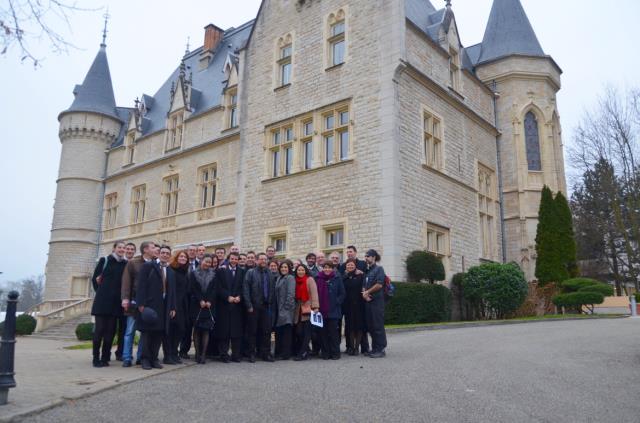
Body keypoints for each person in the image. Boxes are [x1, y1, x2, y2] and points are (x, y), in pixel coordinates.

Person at [136, 245, 177, 370]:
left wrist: (173, 307)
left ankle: (154, 359)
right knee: (147, 334)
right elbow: (141, 286)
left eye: (167, 253)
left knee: (159, 334)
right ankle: (145, 359)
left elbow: (172, 291)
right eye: (162, 252)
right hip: (150, 305)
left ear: (169, 256)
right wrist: (141, 304)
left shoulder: (170, 271)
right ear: (158, 254)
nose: (165, 255)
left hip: (164, 307)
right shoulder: (149, 266)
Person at [90, 241, 128, 367]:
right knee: (99, 330)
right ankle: (96, 357)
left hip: (116, 303)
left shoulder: (125, 263)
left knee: (110, 332)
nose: (122, 249)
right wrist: (101, 292)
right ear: (114, 248)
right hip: (102, 302)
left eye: (123, 248)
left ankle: (105, 357)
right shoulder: (105, 260)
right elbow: (95, 279)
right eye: (119, 247)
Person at [121, 241, 154, 367]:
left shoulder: (154, 263)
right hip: (134, 302)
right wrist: (125, 299)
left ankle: (141, 356)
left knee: (144, 332)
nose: (154, 249)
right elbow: (126, 282)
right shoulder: (133, 263)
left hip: (148, 304)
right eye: (152, 247)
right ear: (145, 249)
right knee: (130, 331)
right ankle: (127, 357)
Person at [243, 252, 275, 363]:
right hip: (254, 306)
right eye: (261, 259)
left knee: (266, 331)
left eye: (265, 259)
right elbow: (246, 290)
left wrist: (270, 302)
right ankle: (251, 353)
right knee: (252, 331)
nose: (263, 261)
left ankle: (265, 353)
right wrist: (249, 305)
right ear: (256, 261)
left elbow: (272, 289)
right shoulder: (250, 273)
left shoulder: (270, 273)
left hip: (266, 306)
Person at [215, 252, 245, 363]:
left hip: (237, 306)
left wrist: (239, 297)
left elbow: (244, 286)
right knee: (224, 331)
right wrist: (227, 297)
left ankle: (236, 355)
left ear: (238, 260)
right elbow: (218, 287)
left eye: (236, 259)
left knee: (236, 332)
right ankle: (224, 354)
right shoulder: (221, 271)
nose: (234, 261)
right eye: (232, 258)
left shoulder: (242, 272)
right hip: (224, 305)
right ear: (229, 259)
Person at [189, 254, 217, 364]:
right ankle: (197, 353)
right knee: (196, 330)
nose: (208, 264)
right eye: (206, 261)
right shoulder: (193, 273)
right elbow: (193, 288)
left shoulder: (214, 274)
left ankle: (203, 355)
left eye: (209, 262)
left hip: (209, 306)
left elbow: (214, 289)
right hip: (196, 305)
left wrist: (209, 300)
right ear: (201, 261)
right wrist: (200, 300)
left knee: (206, 330)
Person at [314, 261, 345, 360]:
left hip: (334, 311)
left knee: (333, 333)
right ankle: (325, 353)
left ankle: (335, 353)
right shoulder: (317, 278)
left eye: (329, 267)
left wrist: (336, 302)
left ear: (332, 269)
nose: (327, 269)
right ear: (322, 268)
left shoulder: (337, 278)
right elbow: (314, 294)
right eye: (325, 267)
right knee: (322, 333)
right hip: (321, 311)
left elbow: (342, 293)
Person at [164, 250, 189, 364]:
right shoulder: (171, 270)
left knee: (180, 329)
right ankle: (168, 355)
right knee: (170, 331)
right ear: (176, 257)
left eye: (185, 257)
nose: (183, 258)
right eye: (181, 256)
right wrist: (172, 306)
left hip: (182, 305)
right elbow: (171, 290)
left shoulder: (185, 271)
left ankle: (174, 353)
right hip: (173, 304)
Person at [114, 242, 136, 361]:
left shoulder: (134, 264)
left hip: (130, 301)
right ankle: (119, 351)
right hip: (119, 300)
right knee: (118, 328)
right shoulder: (119, 263)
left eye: (132, 249)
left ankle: (123, 352)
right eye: (127, 249)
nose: (129, 251)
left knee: (126, 328)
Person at [362, 249, 387, 358]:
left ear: (373, 257)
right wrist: (364, 294)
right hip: (368, 302)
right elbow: (364, 284)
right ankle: (374, 348)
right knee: (371, 326)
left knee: (378, 326)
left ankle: (381, 349)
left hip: (377, 303)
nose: (366, 258)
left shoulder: (379, 269)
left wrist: (367, 292)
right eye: (365, 256)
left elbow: (379, 284)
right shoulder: (367, 271)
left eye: (368, 256)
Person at [292, 264, 319, 361]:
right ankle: (306, 349)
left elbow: (314, 293)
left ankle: (303, 353)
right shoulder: (295, 280)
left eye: (302, 270)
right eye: (299, 270)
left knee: (307, 332)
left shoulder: (309, 279)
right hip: (298, 309)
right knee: (299, 332)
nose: (300, 272)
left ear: (305, 271)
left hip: (308, 307)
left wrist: (315, 307)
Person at [342, 258, 366, 356]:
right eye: (348, 265)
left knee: (359, 327)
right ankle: (351, 347)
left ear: (355, 265)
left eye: (352, 265)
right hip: (348, 306)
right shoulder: (344, 277)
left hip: (359, 305)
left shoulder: (361, 275)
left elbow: (365, 287)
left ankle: (357, 348)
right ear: (346, 266)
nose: (350, 266)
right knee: (350, 327)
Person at [273, 260, 296, 360]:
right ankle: (279, 352)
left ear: (289, 269)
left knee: (286, 332)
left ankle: (286, 354)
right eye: (282, 267)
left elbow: (291, 294)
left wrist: (286, 308)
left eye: (286, 267)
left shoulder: (290, 278)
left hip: (287, 309)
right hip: (279, 308)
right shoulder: (279, 278)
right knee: (279, 332)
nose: (283, 269)